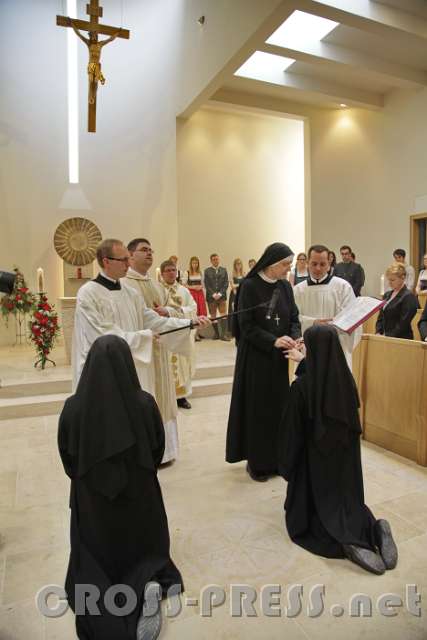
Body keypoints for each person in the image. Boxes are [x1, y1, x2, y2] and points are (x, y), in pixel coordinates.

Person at [59, 335, 183, 639]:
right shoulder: (144, 403)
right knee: (145, 548)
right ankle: (146, 579)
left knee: (93, 565)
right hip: (140, 501)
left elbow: (68, 460)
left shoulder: (73, 408)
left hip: (94, 507)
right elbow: (157, 449)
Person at [278, 326, 398, 575]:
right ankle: (374, 529)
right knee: (352, 507)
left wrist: (287, 466)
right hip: (346, 468)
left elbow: (292, 436)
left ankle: (347, 543)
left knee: (311, 520)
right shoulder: (347, 381)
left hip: (316, 469)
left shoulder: (301, 388)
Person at [72, 239, 191, 397]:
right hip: (103, 370)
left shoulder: (130, 293)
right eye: (123, 260)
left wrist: (189, 323)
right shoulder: (88, 293)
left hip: (131, 365)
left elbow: (152, 320)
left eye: (128, 258)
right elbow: (101, 336)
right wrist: (144, 337)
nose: (128, 264)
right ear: (106, 261)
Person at [124, 238, 208, 463]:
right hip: (139, 352)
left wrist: (185, 320)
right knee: (148, 394)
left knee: (164, 397)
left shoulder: (152, 284)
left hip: (160, 347)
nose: (150, 253)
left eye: (151, 250)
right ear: (130, 256)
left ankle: (165, 450)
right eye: (144, 250)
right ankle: (147, 450)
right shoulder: (125, 285)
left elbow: (162, 314)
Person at [226, 243, 301, 482]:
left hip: (279, 359)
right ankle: (257, 463)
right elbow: (246, 326)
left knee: (278, 409)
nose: (288, 269)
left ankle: (278, 460)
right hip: (257, 357)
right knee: (258, 410)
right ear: (270, 264)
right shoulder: (249, 286)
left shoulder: (285, 287)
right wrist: (273, 340)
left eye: (289, 265)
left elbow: (294, 316)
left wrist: (295, 336)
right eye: (284, 265)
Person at [293, 244, 361, 369]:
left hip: (335, 350)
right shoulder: (298, 291)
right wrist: (313, 322)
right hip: (307, 350)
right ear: (308, 263)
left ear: (329, 264)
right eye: (314, 264)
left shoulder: (342, 287)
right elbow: (292, 320)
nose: (318, 268)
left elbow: (352, 320)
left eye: (322, 264)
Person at [160, 260, 198, 410]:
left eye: (173, 270)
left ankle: (181, 397)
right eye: (168, 270)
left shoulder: (184, 291)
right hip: (165, 334)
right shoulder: (157, 290)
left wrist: (180, 311)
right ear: (162, 273)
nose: (171, 273)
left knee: (182, 364)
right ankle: (167, 397)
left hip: (181, 333)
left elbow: (193, 308)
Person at [376, 263, 418, 339]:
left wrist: (389, 336)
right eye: (389, 279)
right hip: (384, 337)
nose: (389, 282)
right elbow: (381, 317)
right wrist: (378, 332)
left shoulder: (408, 296)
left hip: (400, 338)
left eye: (392, 280)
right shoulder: (387, 295)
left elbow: (403, 322)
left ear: (402, 278)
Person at [204, 253, 230, 341]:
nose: (216, 261)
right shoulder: (207, 271)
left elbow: (226, 283)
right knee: (213, 315)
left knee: (223, 315)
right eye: (214, 259)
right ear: (211, 261)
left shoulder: (224, 270)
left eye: (217, 259)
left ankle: (223, 335)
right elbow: (206, 284)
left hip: (222, 297)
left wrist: (220, 293)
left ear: (219, 260)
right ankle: (216, 334)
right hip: (211, 297)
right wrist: (213, 294)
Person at [183, 256, 207, 341]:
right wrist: (193, 287)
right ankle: (194, 335)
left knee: (200, 312)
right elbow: (184, 284)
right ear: (191, 263)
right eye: (193, 263)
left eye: (196, 263)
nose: (195, 265)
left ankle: (198, 333)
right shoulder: (187, 272)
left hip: (199, 293)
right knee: (194, 312)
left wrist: (200, 287)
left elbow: (203, 284)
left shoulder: (200, 272)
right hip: (192, 294)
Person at [228, 258, 245, 335]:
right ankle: (233, 331)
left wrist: (238, 285)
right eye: (237, 264)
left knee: (242, 312)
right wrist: (240, 284)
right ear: (234, 265)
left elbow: (245, 284)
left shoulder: (244, 273)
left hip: (242, 294)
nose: (238, 265)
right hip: (234, 295)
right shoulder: (232, 274)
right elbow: (232, 286)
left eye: (240, 263)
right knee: (233, 312)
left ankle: (242, 330)